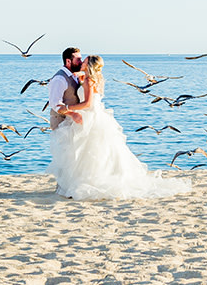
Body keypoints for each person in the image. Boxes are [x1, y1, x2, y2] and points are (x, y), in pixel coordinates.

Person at [47, 54, 192, 200]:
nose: (81, 62)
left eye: (83, 61)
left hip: (89, 115)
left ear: (89, 65)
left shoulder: (89, 80)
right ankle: (81, 181)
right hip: (93, 115)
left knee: (88, 151)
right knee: (91, 151)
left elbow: (88, 104)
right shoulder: (87, 78)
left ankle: (88, 182)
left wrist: (67, 108)